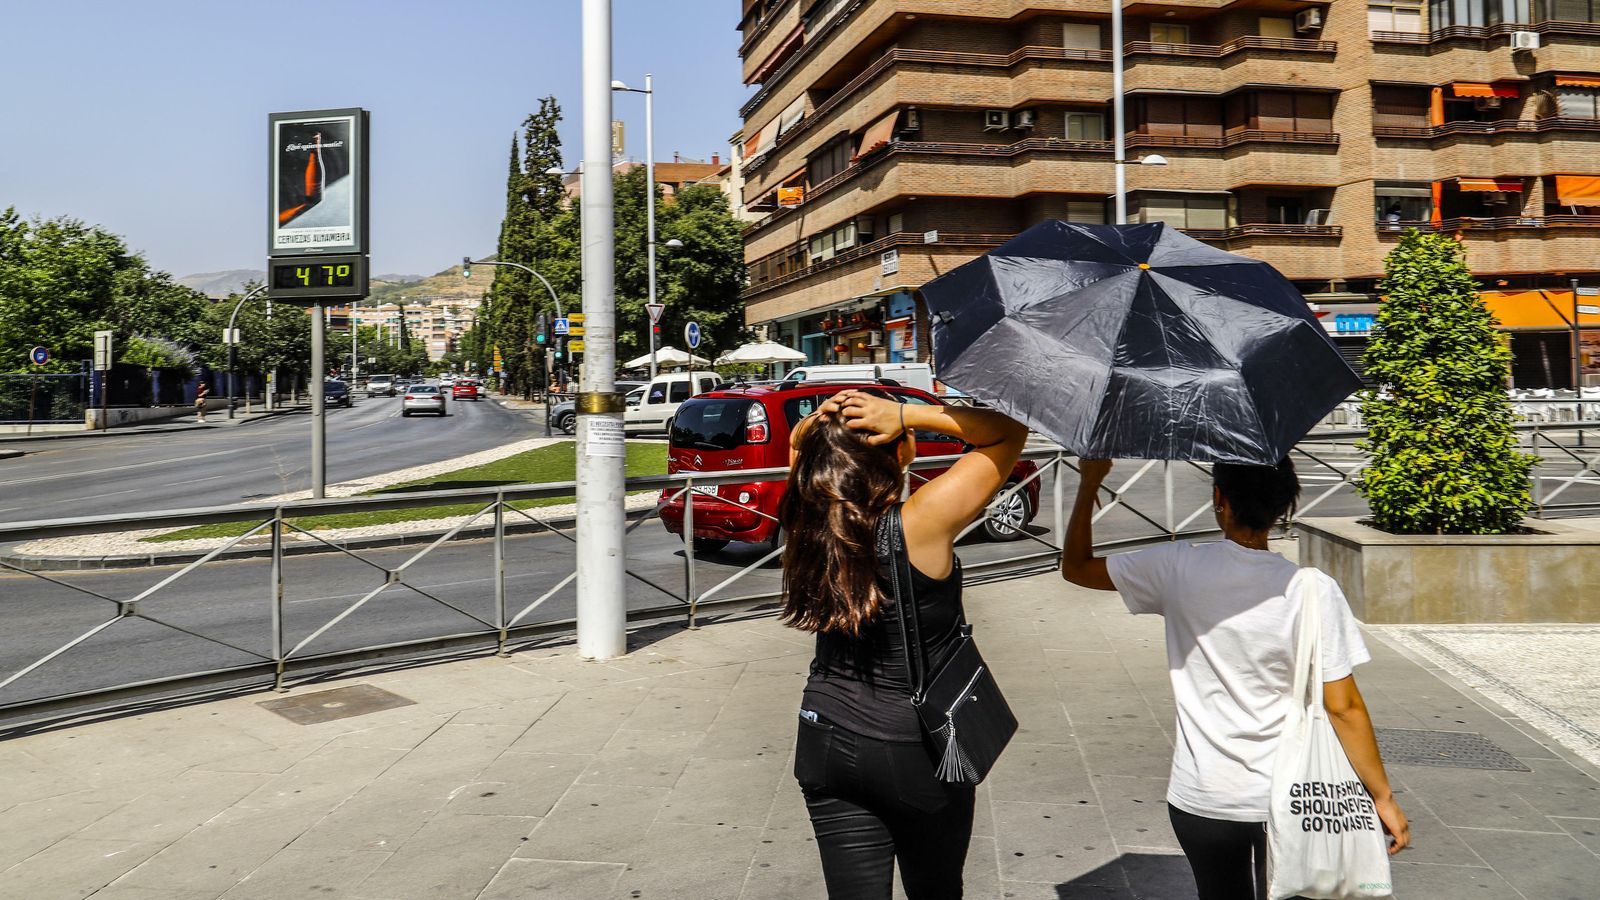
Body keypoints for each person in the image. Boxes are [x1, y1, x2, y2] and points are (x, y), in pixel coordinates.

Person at [1060, 458, 1409, 900]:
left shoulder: (1176, 568)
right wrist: (1382, 797)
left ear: (1220, 499)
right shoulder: (1311, 589)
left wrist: (1091, 483)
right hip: (1288, 796)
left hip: (1203, 793)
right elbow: (1344, 707)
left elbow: (1076, 567)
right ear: (1285, 505)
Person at [781, 388, 1028, 900]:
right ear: (898, 450)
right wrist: (904, 412)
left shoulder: (807, 516)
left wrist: (820, 423)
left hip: (823, 735)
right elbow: (1009, 431)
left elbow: (799, 448)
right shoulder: (920, 522)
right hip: (912, 746)